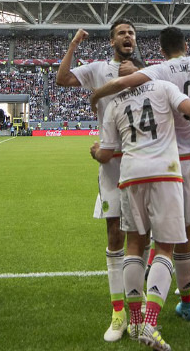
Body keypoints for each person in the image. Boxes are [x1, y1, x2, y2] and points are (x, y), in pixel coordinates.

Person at [90, 27, 190, 344]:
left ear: (161, 51)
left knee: (176, 239)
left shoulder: (157, 72)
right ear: (187, 45)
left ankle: (183, 305)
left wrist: (97, 93)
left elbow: (122, 84)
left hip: (176, 162)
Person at [91, 77, 190, 351]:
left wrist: (96, 152)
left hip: (130, 176)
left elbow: (107, 153)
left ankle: (134, 320)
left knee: (133, 246)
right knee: (164, 248)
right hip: (165, 173)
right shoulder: (163, 86)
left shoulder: (114, 103)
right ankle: (150, 321)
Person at [55, 20, 139, 342]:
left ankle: (137, 306)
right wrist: (75, 43)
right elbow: (62, 79)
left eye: (131, 33)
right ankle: (119, 312)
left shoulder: (147, 71)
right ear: (112, 40)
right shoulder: (98, 69)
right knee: (115, 234)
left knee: (141, 236)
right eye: (121, 33)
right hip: (110, 164)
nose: (127, 37)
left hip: (141, 161)